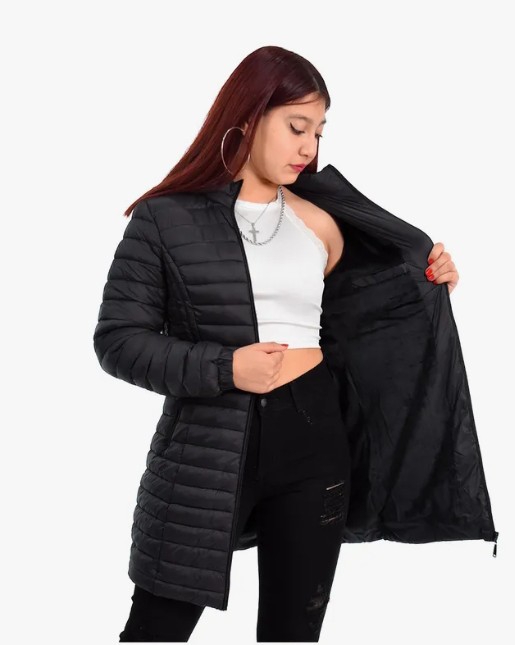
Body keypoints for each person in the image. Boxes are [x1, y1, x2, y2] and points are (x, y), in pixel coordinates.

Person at [93, 45, 498, 642]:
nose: (309, 147)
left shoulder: (323, 222)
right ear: (248, 116)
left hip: (314, 439)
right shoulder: (165, 218)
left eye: (319, 131)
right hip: (205, 446)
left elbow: (371, 320)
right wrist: (226, 367)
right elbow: (117, 341)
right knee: (156, 628)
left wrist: (430, 280)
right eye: (296, 126)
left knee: (293, 632)